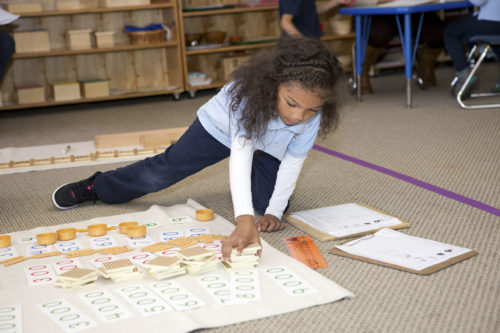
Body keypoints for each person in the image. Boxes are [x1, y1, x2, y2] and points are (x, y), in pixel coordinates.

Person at [52, 36, 345, 259]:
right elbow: (240, 155)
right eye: (292, 104)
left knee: (271, 203)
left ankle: (265, 196)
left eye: (311, 110)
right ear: (274, 86)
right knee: (161, 174)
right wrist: (244, 220)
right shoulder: (248, 99)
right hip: (219, 129)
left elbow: (293, 162)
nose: (297, 117)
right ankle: (99, 186)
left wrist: (275, 212)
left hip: (269, 146)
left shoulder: (309, 116)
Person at [351, 0, 446, 93]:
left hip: (413, 9)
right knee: (379, 34)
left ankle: (425, 65)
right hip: (375, 12)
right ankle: (362, 69)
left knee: (441, 32)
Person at [443, 0, 500, 97]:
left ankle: (464, 74)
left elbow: (479, 2)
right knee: (493, 39)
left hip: (491, 21)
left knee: (450, 32)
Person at [279, 0, 352, 39]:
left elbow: (311, 11)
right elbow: (285, 22)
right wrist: (305, 43)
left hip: (308, 42)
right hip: (297, 47)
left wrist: (336, 1)